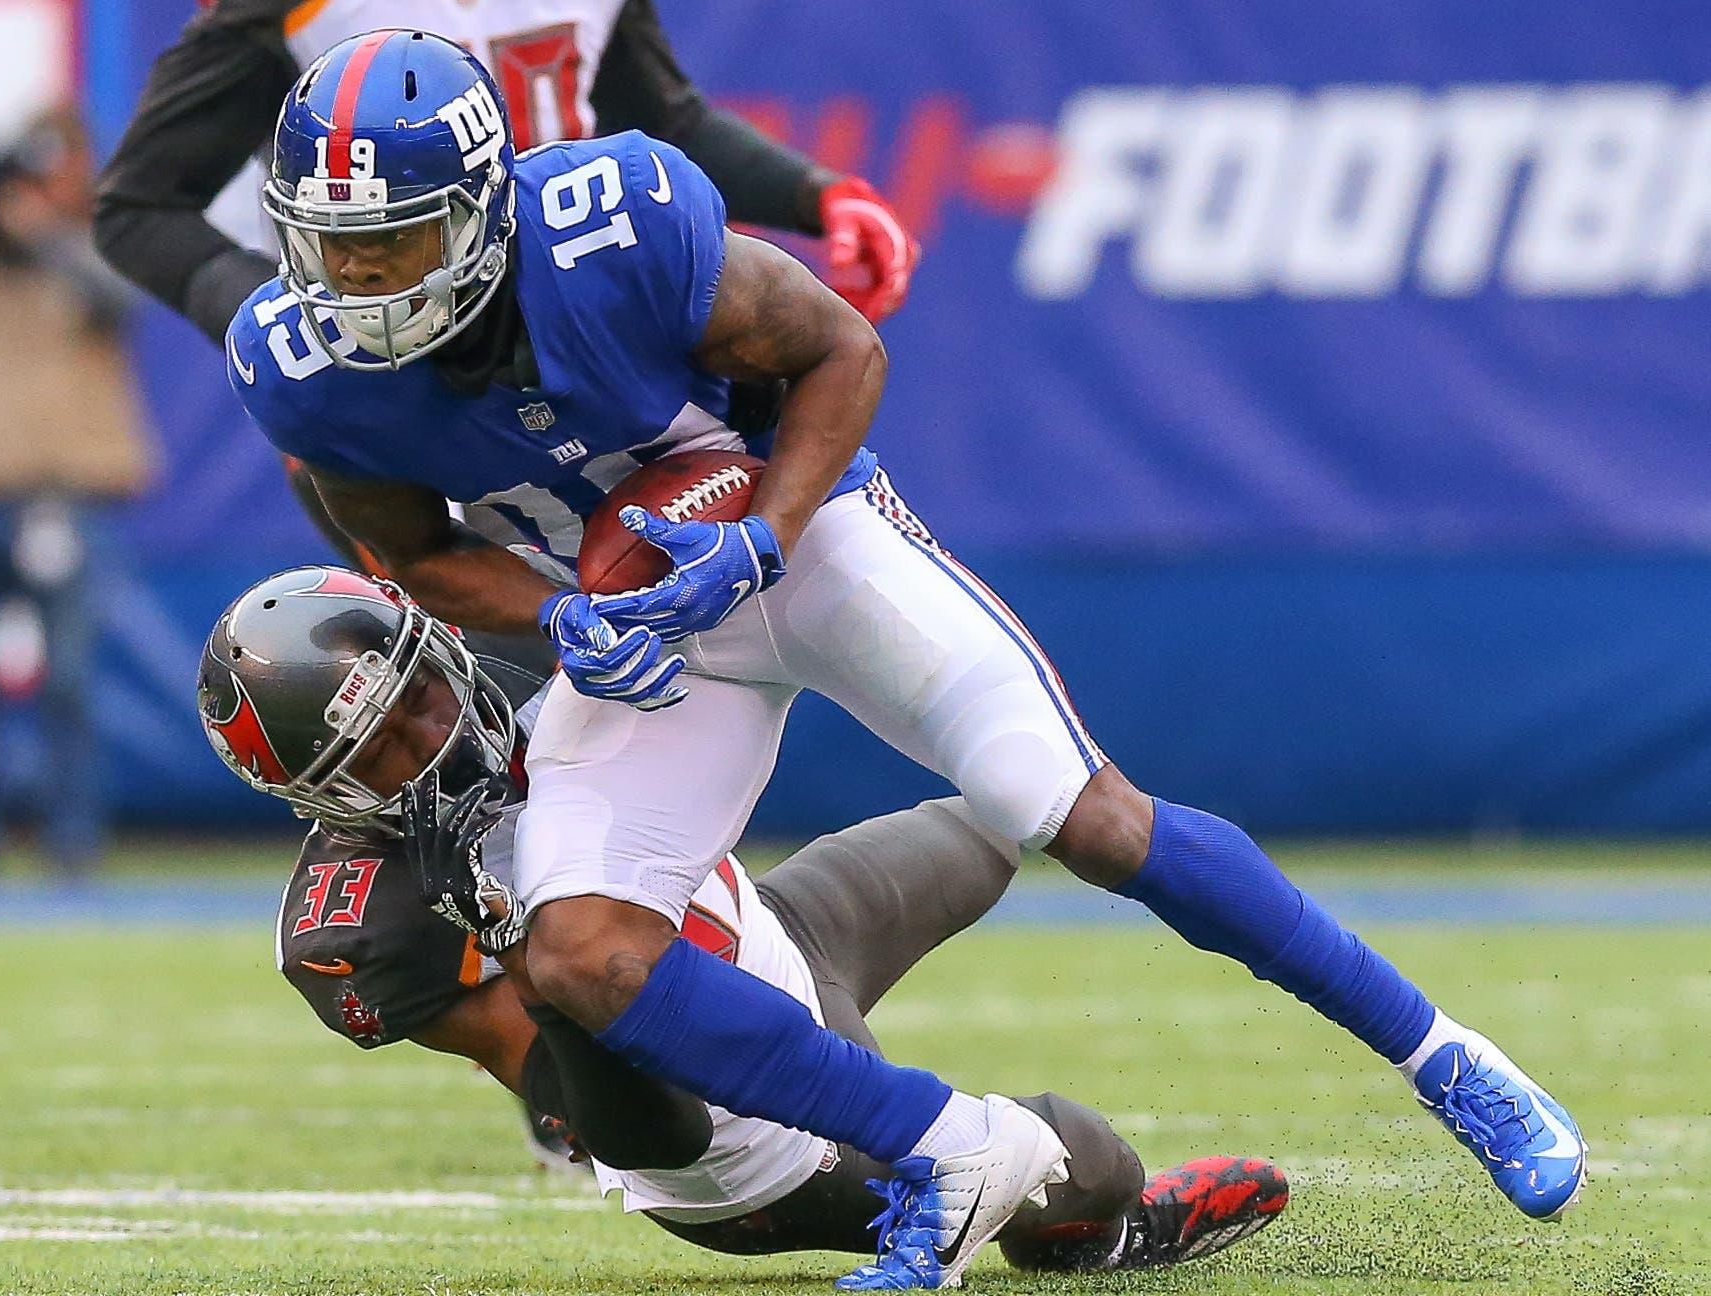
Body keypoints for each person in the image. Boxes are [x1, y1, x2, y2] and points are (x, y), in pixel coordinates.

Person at [224, 34, 1584, 1287]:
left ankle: (1448, 1059)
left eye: (390, 245)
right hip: (643, 630)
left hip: (798, 542)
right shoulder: (300, 366)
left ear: (481, 211)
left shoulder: (615, 227)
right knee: (580, 954)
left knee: (1086, 820)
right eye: (330, 247)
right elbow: (410, 551)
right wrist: (555, 618)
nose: (352, 282)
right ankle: (949, 1147)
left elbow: (838, 351)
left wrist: (756, 542)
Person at [198, 564, 1290, 1278]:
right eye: (377, 753)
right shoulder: (364, 924)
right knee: (1077, 1154)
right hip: (752, 1148)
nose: (428, 741)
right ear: (318, 796)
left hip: (771, 930)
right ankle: (1098, 1238)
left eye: (419, 699)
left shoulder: (520, 653)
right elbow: (608, 1114)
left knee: (996, 813)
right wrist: (516, 942)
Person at [94, 0, 916, 572]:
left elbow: (666, 121)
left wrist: (814, 193)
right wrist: (314, 324)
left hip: (586, 331)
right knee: (503, 673)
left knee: (687, 608)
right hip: (417, 371)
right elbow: (137, 205)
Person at [0, 108, 151, 878]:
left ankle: (73, 840)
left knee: (71, 679)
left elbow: (121, 304)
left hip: (65, 493)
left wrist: (40, 233)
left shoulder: (86, 246)